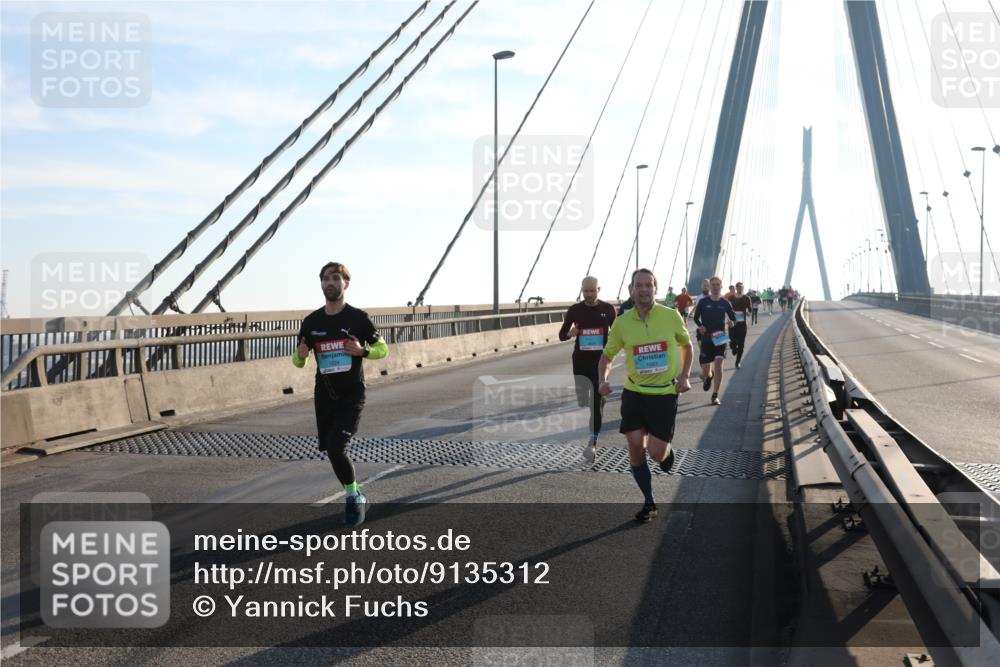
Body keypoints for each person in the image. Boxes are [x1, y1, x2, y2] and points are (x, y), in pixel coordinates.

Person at [294, 262, 388, 527]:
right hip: (324, 396)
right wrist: (299, 356)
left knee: (337, 447)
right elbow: (299, 359)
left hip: (351, 395)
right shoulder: (311, 322)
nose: (330, 283)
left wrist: (363, 352)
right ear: (321, 284)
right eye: (325, 279)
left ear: (345, 283)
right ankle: (356, 494)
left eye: (336, 278)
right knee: (331, 451)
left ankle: (353, 497)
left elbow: (383, 349)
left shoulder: (358, 318)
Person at [598, 268, 693, 523]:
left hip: (664, 395)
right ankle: (649, 502)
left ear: (655, 289)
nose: (643, 289)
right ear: (631, 290)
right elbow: (607, 356)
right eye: (638, 285)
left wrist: (684, 377)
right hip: (634, 394)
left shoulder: (671, 316)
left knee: (656, 453)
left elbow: (687, 346)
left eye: (648, 285)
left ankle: (666, 452)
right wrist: (602, 380)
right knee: (635, 447)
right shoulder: (622, 322)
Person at [558, 276, 617, 463]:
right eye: (586, 291)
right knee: (584, 401)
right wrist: (570, 333)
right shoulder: (575, 310)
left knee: (596, 404)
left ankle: (592, 442)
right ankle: (595, 402)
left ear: (599, 289)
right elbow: (561, 335)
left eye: (593, 290)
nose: (589, 294)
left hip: (601, 363)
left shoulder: (608, 310)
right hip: (580, 363)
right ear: (582, 290)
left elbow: (618, 333)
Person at [692, 276, 736, 405]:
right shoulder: (703, 302)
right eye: (713, 284)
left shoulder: (725, 303)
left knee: (718, 364)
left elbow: (733, 319)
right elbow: (695, 318)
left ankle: (715, 395)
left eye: (718, 284)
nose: (715, 287)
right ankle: (708, 377)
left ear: (721, 286)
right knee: (707, 371)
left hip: (720, 337)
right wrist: (700, 326)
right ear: (710, 287)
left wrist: (731, 323)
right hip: (706, 339)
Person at [729, 282, 752, 369]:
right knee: (732, 341)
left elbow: (750, 310)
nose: (739, 288)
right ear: (736, 288)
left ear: (743, 288)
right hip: (733, 323)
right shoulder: (731, 298)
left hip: (742, 324)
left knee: (741, 344)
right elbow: (727, 309)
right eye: (738, 287)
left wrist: (748, 312)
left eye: (741, 287)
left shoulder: (746, 298)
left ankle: (737, 362)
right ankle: (734, 348)